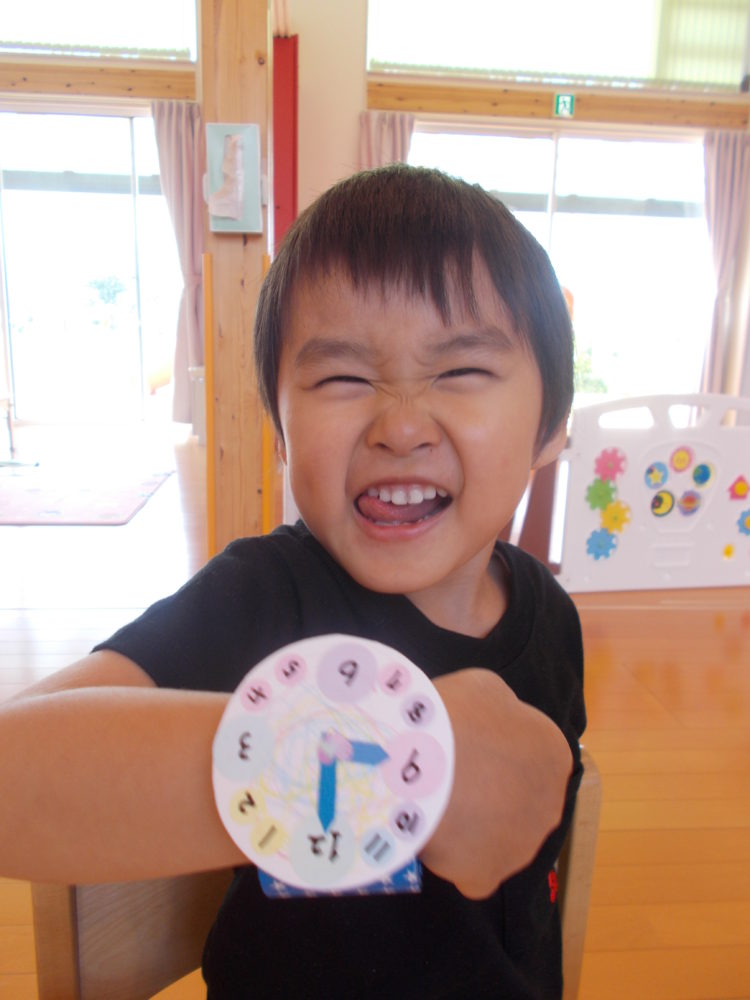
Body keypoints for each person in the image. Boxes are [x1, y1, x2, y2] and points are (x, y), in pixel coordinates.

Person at [0, 164, 585, 999]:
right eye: (343, 378)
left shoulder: (553, 618)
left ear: (551, 424)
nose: (401, 427)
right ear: (280, 429)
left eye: (461, 372)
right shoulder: (263, 600)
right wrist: (392, 764)